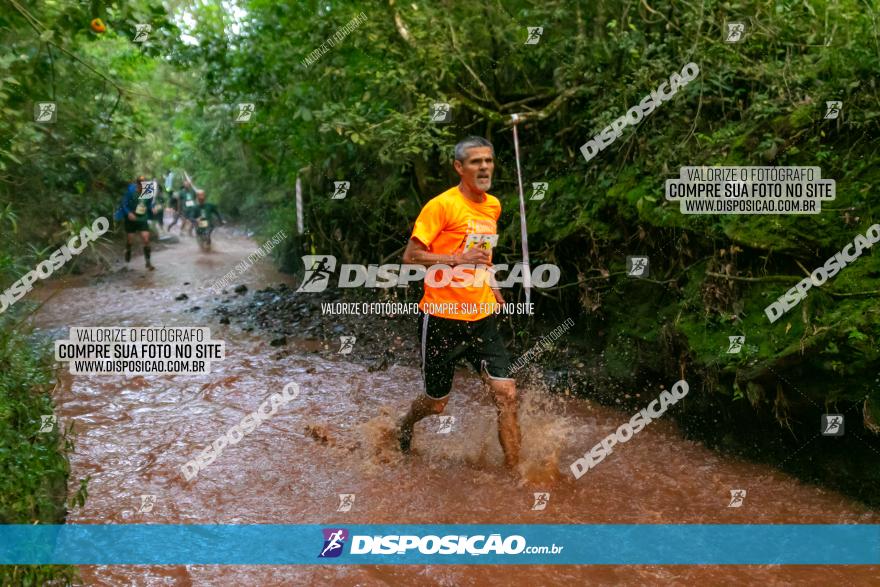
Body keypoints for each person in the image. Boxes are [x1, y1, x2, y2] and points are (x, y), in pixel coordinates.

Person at [396, 136, 521, 470]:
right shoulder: (441, 206)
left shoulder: (493, 205)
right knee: (437, 405)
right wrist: (456, 258)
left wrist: (492, 284)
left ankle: (515, 476)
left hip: (481, 316)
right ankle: (405, 425)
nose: (484, 167)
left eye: (488, 161)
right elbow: (411, 257)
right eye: (476, 162)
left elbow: (483, 253)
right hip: (441, 318)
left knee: (506, 393)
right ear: (459, 167)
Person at [119, 175, 156, 270]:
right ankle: (127, 262)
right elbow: (123, 204)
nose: (142, 185)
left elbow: (150, 203)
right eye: (140, 183)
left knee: (146, 239)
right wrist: (128, 213)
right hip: (131, 219)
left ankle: (148, 262)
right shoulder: (130, 192)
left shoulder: (147, 191)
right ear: (137, 184)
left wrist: (152, 208)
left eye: (143, 183)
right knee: (130, 241)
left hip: (142, 218)